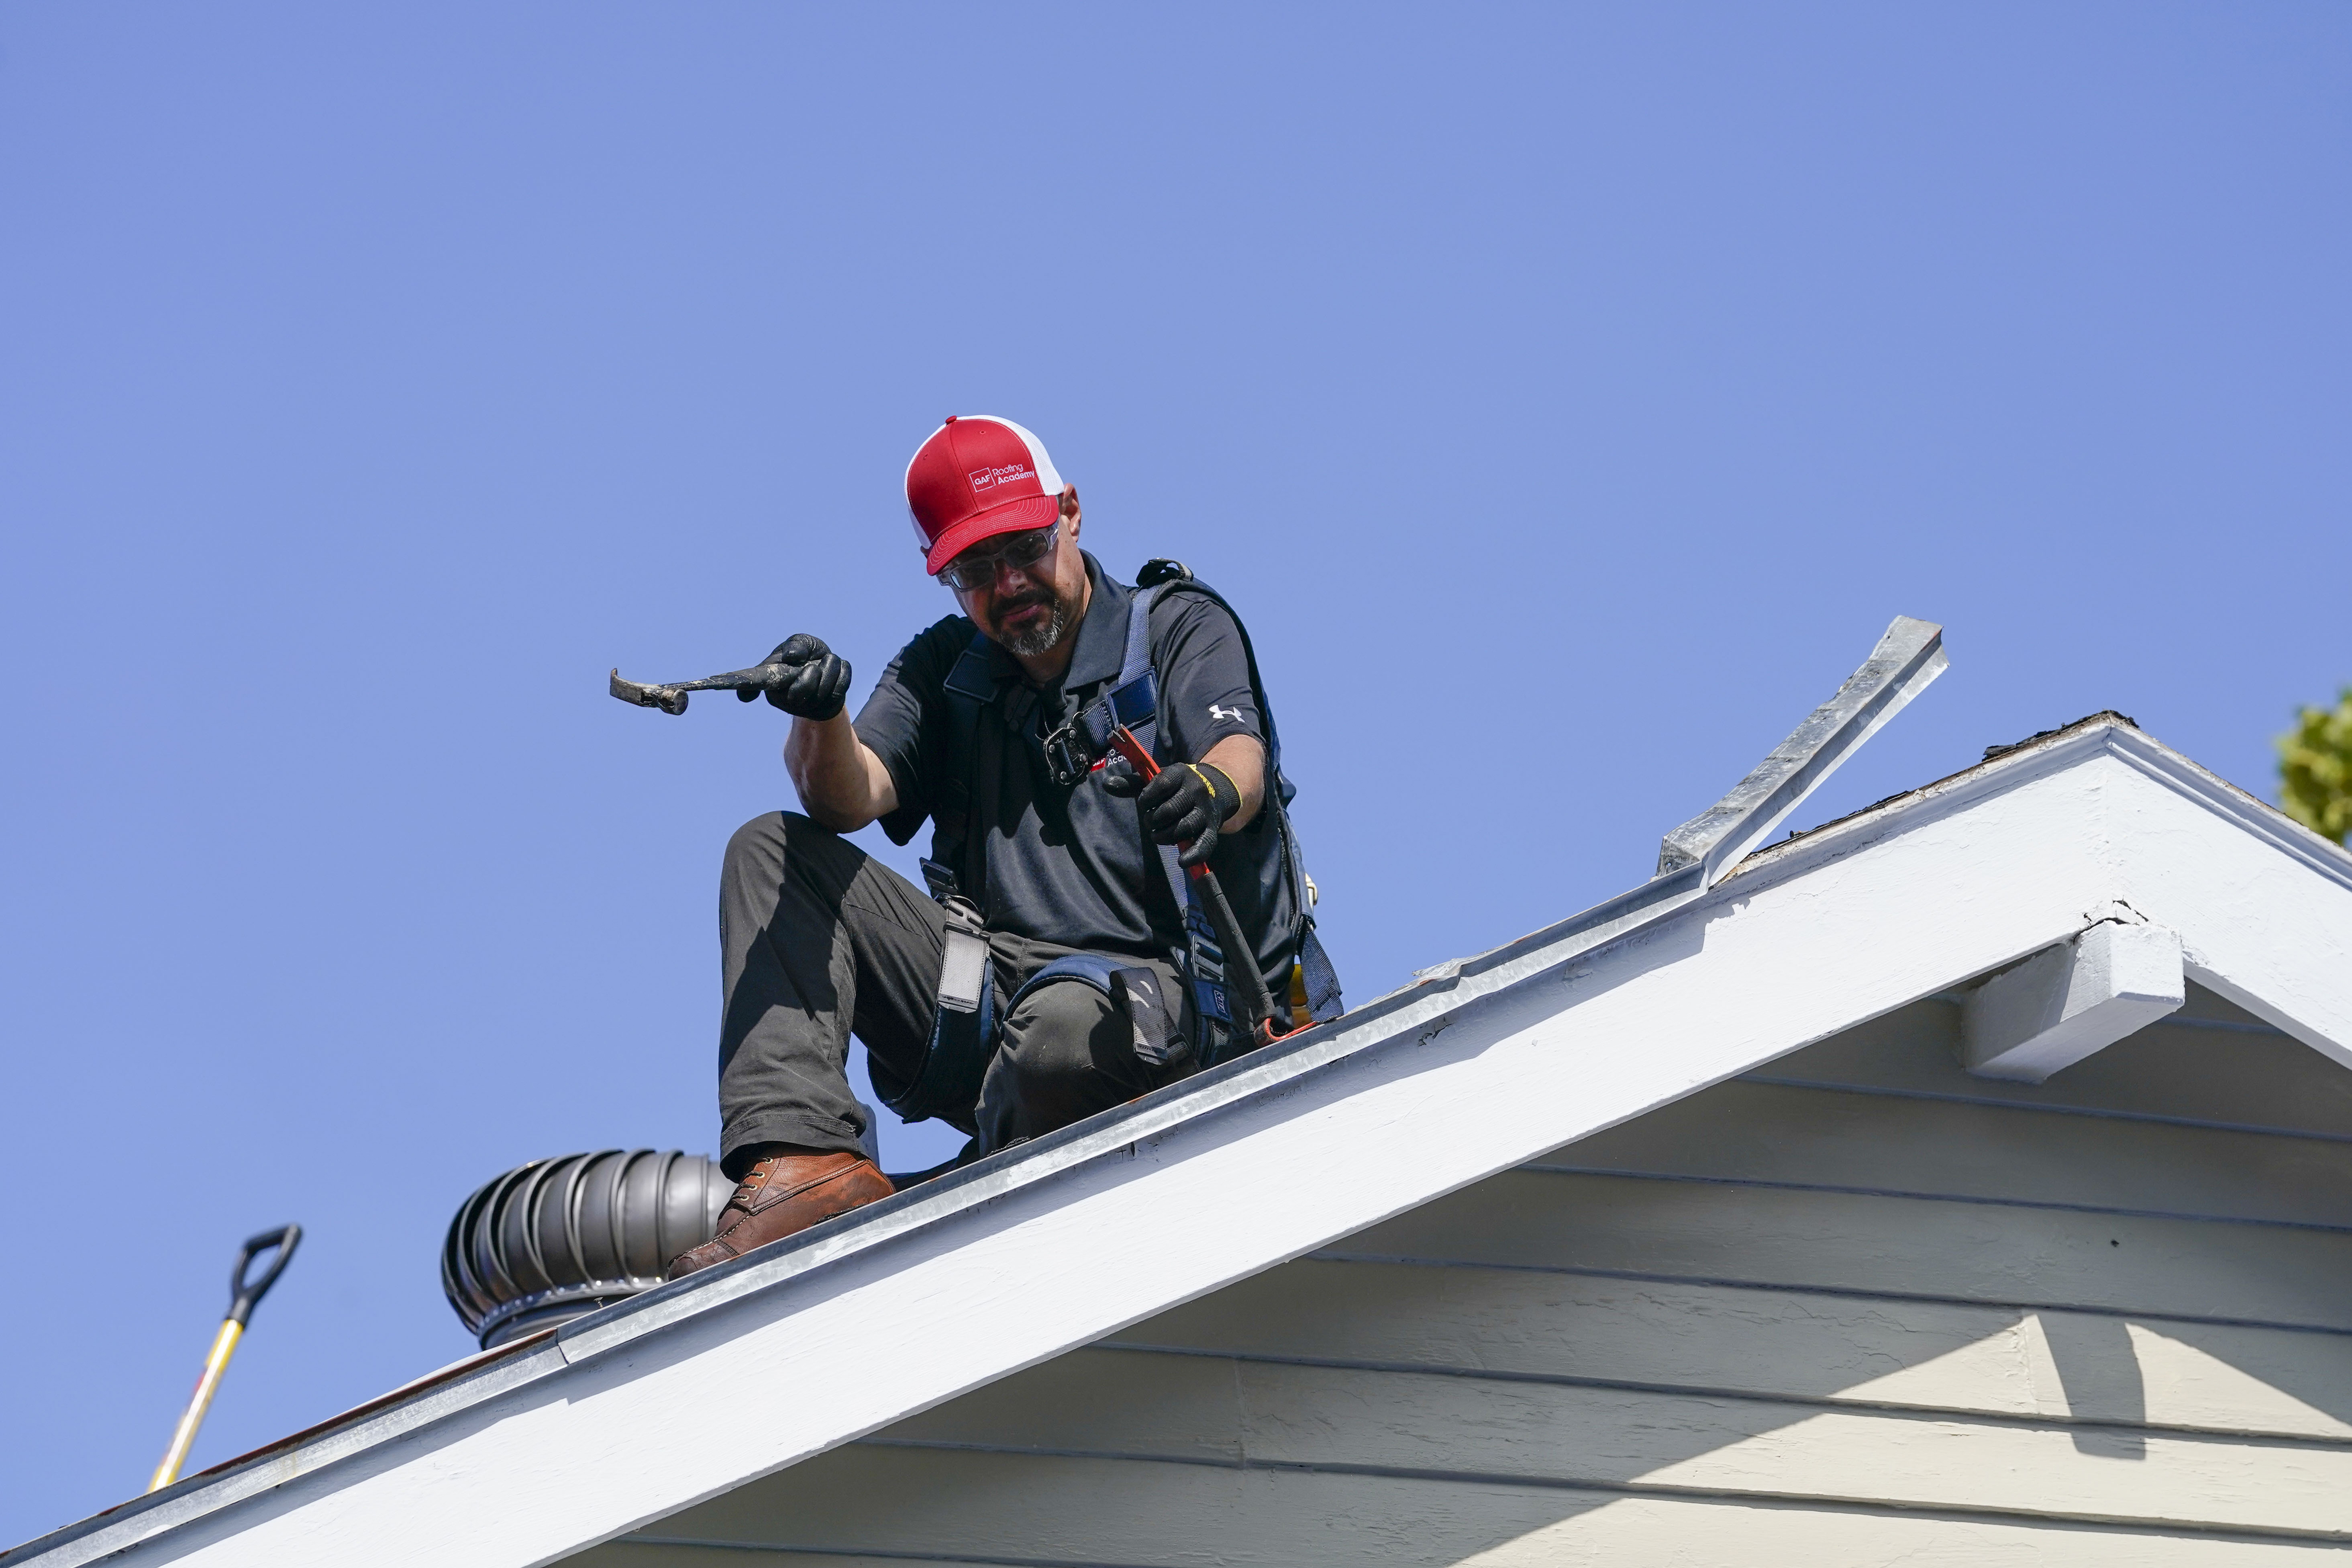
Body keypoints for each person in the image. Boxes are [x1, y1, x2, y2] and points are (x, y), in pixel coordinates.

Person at [665, 415, 1337, 1279]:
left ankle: (999, 1183)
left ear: (1071, 513)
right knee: (771, 850)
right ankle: (807, 1169)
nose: (1010, 582)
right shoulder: (949, 667)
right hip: (995, 1009)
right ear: (941, 574)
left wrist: (1212, 790)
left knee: (1057, 1029)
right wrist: (818, 712)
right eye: (976, 570)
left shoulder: (1174, 627)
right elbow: (847, 794)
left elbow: (1239, 753)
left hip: (1174, 1014)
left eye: (1024, 548)